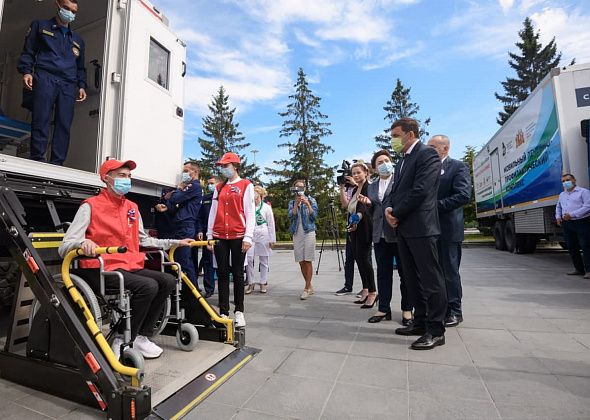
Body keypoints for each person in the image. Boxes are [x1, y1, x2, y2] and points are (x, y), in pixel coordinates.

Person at [58, 159, 193, 359]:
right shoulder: (90, 206)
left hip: (128, 265)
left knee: (168, 280)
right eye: (122, 176)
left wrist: (176, 242)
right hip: (99, 267)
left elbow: (143, 239)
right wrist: (82, 244)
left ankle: (141, 336)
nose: (127, 180)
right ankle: (122, 337)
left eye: (128, 176)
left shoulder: (132, 207)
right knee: (148, 286)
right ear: (106, 178)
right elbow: (65, 245)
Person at [384, 117, 447, 350]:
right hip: (403, 228)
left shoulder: (427, 154)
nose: (393, 140)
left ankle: (436, 330)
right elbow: (395, 190)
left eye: (396, 135)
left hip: (421, 227)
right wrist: (390, 209)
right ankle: (419, 322)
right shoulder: (402, 161)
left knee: (431, 280)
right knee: (412, 279)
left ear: (410, 134)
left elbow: (421, 190)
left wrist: (396, 212)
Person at [17, 0, 87, 165]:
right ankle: (38, 159)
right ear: (58, 5)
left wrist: (82, 85)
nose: (70, 13)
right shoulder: (40, 26)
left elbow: (81, 67)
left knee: (64, 124)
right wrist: (27, 71)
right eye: (66, 8)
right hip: (45, 76)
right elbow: (28, 51)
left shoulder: (78, 40)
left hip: (68, 84)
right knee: (41, 118)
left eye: (74, 11)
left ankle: (57, 163)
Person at [360, 150, 411, 324]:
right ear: (374, 168)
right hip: (379, 235)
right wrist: (368, 204)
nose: (384, 164)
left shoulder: (400, 181)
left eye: (386, 160)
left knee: (405, 273)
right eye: (380, 162)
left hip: (398, 233)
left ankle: (407, 310)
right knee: (383, 273)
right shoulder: (372, 186)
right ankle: (383, 309)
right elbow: (374, 210)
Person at [427, 135, 471, 327]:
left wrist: (434, 206)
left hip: (448, 229)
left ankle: (455, 310)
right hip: (429, 229)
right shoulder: (427, 169)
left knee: (449, 271)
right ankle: (439, 309)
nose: (428, 150)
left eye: (432, 147)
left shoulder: (457, 167)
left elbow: (463, 195)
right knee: (434, 272)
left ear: (445, 149)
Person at [206, 152, 255, 328]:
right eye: (221, 166)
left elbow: (250, 212)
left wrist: (248, 236)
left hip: (238, 235)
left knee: (238, 273)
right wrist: (209, 235)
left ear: (235, 166)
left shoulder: (246, 185)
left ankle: (239, 311)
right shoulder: (219, 187)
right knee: (222, 273)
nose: (223, 169)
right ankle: (224, 311)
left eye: (226, 165)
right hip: (220, 236)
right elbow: (213, 211)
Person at [155, 161, 202, 292]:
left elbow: (175, 199)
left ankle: (194, 294)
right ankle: (184, 292)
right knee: (177, 261)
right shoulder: (189, 187)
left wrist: (179, 189)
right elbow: (176, 205)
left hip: (185, 227)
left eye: (186, 171)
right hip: (179, 226)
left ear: (195, 172)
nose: (184, 174)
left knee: (183, 262)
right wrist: (166, 207)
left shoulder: (194, 186)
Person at [347, 162, 377, 308]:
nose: (356, 175)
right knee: (358, 259)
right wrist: (352, 223)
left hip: (365, 227)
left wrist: (357, 220)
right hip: (355, 228)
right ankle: (365, 289)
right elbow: (351, 208)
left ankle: (373, 292)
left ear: (366, 172)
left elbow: (364, 208)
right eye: (354, 173)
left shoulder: (369, 187)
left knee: (365, 260)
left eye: (358, 172)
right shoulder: (354, 190)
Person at [288, 180, 318, 300]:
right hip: (297, 232)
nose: (299, 189)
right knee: (301, 260)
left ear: (304, 188)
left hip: (309, 232)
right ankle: (309, 285)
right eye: (297, 187)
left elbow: (314, 216)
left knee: (308, 259)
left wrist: (308, 204)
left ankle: (306, 288)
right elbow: (291, 216)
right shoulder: (292, 202)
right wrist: (296, 205)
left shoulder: (311, 199)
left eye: (301, 187)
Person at [556, 173, 590, 279]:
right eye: (563, 181)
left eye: (568, 180)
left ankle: (589, 270)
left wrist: (572, 215)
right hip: (567, 224)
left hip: (582, 222)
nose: (566, 182)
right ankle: (578, 269)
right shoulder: (562, 194)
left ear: (574, 180)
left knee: (586, 246)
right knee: (571, 246)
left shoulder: (584, 192)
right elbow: (558, 206)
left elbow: (588, 206)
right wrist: (558, 217)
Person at [245, 186, 276, 294]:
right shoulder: (249, 206)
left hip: (263, 234)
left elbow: (271, 223)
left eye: (256, 193)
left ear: (261, 195)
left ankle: (263, 282)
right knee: (248, 259)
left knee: (264, 260)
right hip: (251, 234)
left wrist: (272, 239)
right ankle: (251, 282)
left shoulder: (266, 207)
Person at [334, 177, 359, 296]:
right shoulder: (349, 189)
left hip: (363, 226)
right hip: (350, 225)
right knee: (349, 259)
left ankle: (368, 288)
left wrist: (357, 185)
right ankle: (348, 286)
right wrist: (342, 188)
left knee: (364, 260)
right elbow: (345, 205)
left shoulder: (366, 186)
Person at [196, 176, 219, 298]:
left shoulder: (222, 197)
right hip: (206, 233)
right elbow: (199, 217)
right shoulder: (205, 199)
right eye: (209, 183)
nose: (210, 185)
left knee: (222, 262)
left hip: (220, 233)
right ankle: (209, 289)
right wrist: (200, 230)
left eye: (212, 183)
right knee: (207, 261)